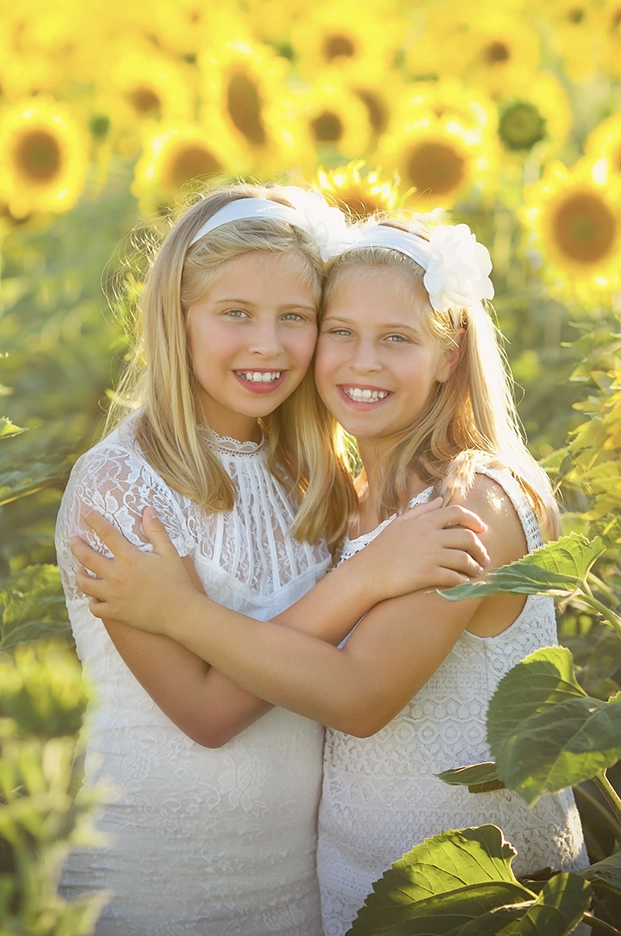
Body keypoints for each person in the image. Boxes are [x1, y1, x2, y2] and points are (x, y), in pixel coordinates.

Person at [56, 188, 492, 936]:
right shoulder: (120, 485)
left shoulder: (307, 469)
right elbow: (204, 712)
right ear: (177, 317)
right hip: (153, 878)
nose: (268, 345)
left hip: (295, 884)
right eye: (235, 314)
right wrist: (362, 579)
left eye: (294, 318)